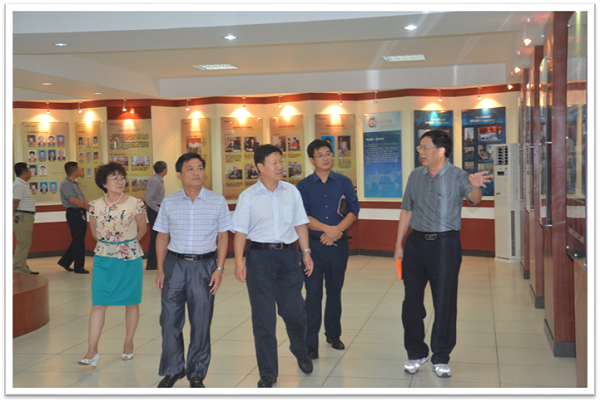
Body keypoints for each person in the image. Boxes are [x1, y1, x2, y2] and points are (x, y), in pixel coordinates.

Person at [393, 130, 493, 378]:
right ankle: (416, 352)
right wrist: (398, 244)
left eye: (425, 148)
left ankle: (440, 356)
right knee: (411, 302)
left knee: (444, 302)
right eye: (420, 148)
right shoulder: (415, 175)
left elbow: (474, 199)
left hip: (445, 245)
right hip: (415, 244)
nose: (421, 152)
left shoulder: (458, 175)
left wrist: (476, 186)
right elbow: (406, 210)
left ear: (441, 151)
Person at [232, 144, 314, 388]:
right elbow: (240, 232)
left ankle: (300, 350)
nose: (280, 166)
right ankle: (268, 372)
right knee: (264, 319)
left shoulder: (291, 191)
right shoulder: (248, 196)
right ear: (260, 167)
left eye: (281, 161)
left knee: (295, 313)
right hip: (259, 260)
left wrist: (306, 252)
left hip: (289, 257)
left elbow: (300, 223)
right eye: (274, 162)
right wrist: (239, 262)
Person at [153, 153, 232, 388]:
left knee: (201, 322)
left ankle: (196, 372)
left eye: (199, 168)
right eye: (190, 169)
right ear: (179, 175)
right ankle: (174, 368)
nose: (196, 172)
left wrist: (219, 268)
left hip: (204, 267)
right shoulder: (169, 202)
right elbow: (162, 236)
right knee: (169, 321)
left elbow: (223, 236)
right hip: (175, 266)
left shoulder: (217, 201)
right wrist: (160, 269)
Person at [77, 162, 147, 368]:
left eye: (122, 177)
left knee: (131, 302)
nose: (120, 181)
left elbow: (142, 229)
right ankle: (92, 349)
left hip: (129, 258)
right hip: (104, 257)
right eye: (114, 178)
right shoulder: (94, 205)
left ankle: (128, 342)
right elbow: (94, 232)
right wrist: (111, 245)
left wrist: (126, 245)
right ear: (104, 183)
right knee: (98, 302)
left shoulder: (136, 203)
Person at [295, 139, 360, 359]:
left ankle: (333, 334)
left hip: (338, 246)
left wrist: (336, 232)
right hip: (312, 247)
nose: (325, 158)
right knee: (313, 295)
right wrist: (327, 230)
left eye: (328, 153)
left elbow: (354, 209)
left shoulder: (343, 181)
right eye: (320, 155)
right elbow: (302, 216)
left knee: (334, 292)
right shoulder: (303, 186)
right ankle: (310, 343)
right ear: (311, 160)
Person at [58, 162, 90, 274]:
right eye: (79, 169)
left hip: (80, 211)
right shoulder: (66, 184)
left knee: (78, 239)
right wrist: (85, 206)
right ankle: (79, 266)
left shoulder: (75, 183)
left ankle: (65, 261)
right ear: (74, 171)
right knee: (78, 240)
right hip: (74, 213)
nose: (80, 171)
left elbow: (82, 196)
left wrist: (85, 202)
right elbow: (72, 200)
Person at [13, 162, 38, 275]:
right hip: (22, 216)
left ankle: (23, 268)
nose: (31, 173)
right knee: (23, 243)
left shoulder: (22, 184)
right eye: (29, 171)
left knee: (25, 243)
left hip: (25, 216)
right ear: (24, 172)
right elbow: (15, 201)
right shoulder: (18, 184)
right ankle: (17, 269)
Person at [144, 161, 167, 271]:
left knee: (157, 237)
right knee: (155, 238)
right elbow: (148, 199)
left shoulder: (158, 180)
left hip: (157, 210)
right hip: (155, 211)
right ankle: (152, 263)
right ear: (164, 170)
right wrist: (159, 210)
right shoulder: (155, 181)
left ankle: (155, 262)